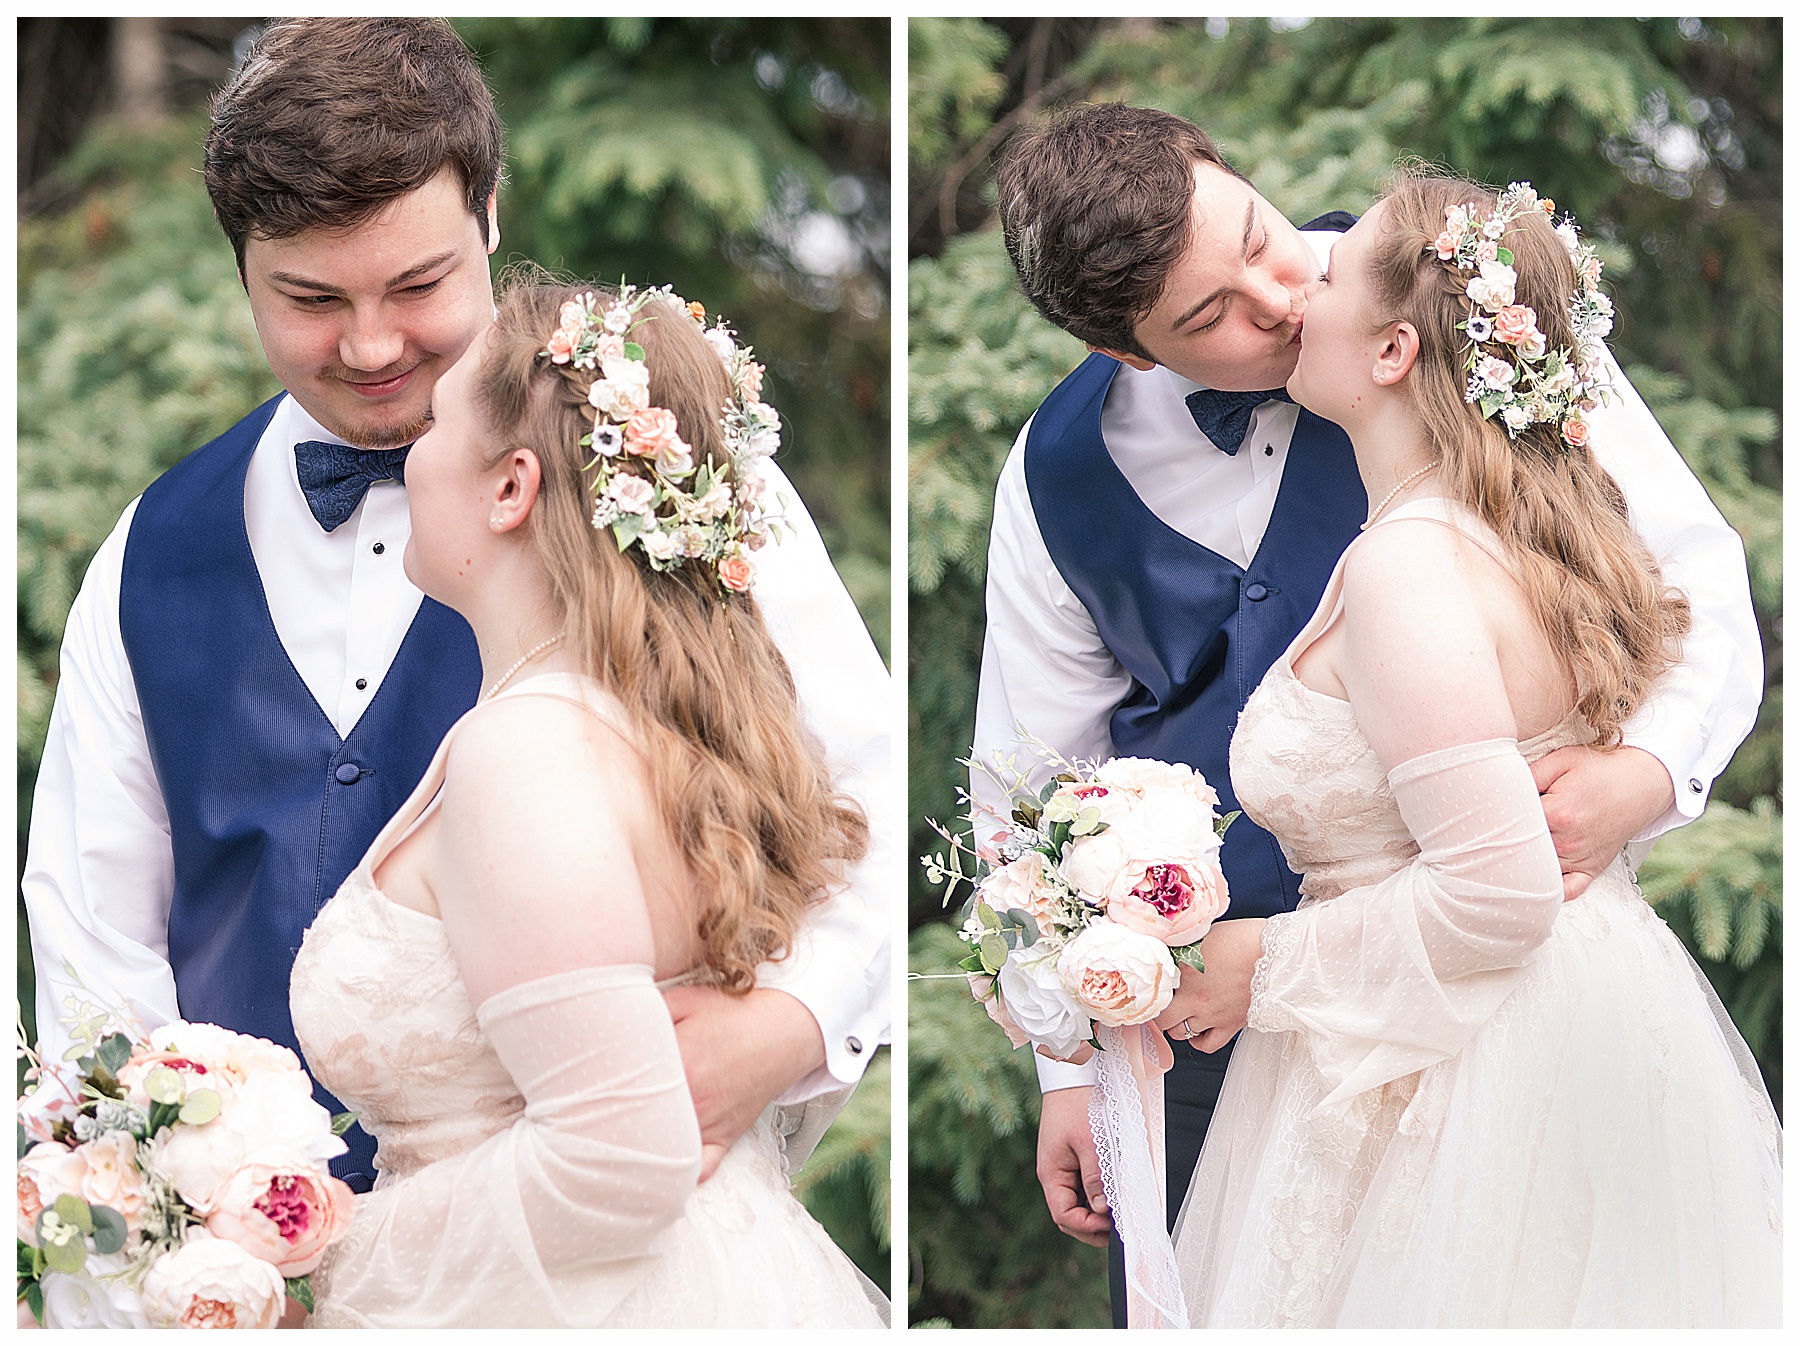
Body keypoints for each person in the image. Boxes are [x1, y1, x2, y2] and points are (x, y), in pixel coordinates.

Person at [22, 17, 890, 1202]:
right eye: (312, 297)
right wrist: (174, 1214)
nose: (373, 344)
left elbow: (859, 792)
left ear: (489, 219)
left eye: (418, 283)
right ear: (242, 270)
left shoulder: (658, 473)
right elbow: (95, 940)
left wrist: (797, 1019)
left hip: (588, 1245)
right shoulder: (149, 555)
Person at [979, 105, 1762, 1324]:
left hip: (1494, 1010)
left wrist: (1650, 770)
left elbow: (1691, 584)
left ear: (1231, 166)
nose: (1281, 293)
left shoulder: (1447, 296)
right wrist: (1068, 1064)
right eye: (1209, 315)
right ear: (1128, 351)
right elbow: (1033, 781)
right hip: (1199, 1042)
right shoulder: (1053, 474)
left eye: (1258, 233)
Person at [288, 279, 887, 1326]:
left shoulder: (525, 752)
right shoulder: (630, 722)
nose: (411, 455)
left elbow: (618, 1160)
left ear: (513, 486)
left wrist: (321, 1257)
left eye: (435, 426)